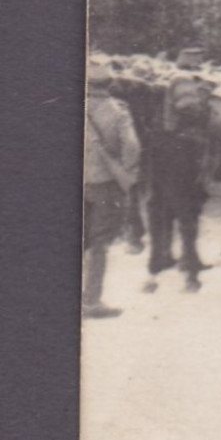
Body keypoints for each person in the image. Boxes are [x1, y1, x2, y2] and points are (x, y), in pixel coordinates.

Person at [83, 56, 141, 319]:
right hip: (105, 184)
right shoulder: (118, 110)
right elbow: (132, 147)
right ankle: (91, 301)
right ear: (109, 82)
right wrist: (126, 173)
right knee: (99, 245)